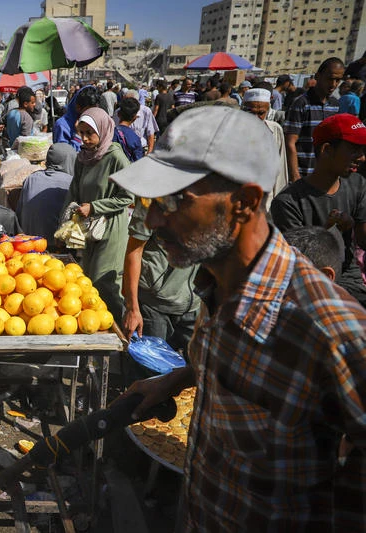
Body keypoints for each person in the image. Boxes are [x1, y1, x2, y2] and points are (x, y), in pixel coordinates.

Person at [110, 105, 366, 532]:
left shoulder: (333, 333)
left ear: (245, 203)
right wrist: (179, 378)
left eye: (173, 201)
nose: (154, 220)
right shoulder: (216, 288)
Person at [271, 113, 366, 308]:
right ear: (326, 150)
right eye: (354, 150)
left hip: (350, 281)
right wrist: (327, 230)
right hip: (309, 288)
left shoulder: (357, 185)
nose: (362, 157)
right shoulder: (288, 202)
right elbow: (299, 265)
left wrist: (354, 226)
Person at [61, 108, 133, 320]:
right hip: (88, 229)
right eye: (81, 133)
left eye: (89, 133)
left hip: (110, 229)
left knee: (105, 283)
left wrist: (94, 207)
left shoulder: (116, 158)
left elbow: (128, 196)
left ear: (103, 130)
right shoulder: (82, 157)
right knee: (88, 281)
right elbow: (74, 191)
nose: (84, 138)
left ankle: (118, 332)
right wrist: (64, 223)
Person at [121, 196, 200, 364]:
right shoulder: (152, 198)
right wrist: (132, 308)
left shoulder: (207, 198)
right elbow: (134, 251)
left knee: (195, 372)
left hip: (194, 305)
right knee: (150, 375)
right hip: (153, 306)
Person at [285, 57, 344, 182]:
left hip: (325, 175)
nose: (333, 84)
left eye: (337, 80)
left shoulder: (335, 105)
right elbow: (290, 142)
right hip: (304, 174)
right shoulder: (301, 103)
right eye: (330, 79)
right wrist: (295, 176)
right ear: (318, 76)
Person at [16, 143, 75, 246]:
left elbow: (19, 212)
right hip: (55, 245)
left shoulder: (31, 179)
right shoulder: (71, 183)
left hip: (27, 243)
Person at [241, 88, 290, 209]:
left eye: (261, 113)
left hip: (267, 202)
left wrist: (279, 202)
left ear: (267, 111)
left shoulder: (275, 130)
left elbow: (280, 171)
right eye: (251, 113)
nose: (256, 118)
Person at [53, 86, 100, 151]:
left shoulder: (94, 121)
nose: (91, 115)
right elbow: (64, 156)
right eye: (88, 111)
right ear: (78, 108)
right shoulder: (62, 125)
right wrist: (77, 135)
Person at [115, 90, 158, 155]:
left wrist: (149, 151)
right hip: (122, 150)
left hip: (140, 149)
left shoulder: (146, 111)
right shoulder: (118, 112)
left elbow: (150, 133)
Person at [113, 98, 144, 162]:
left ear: (118, 114)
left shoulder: (109, 134)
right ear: (135, 118)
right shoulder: (135, 138)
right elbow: (138, 162)